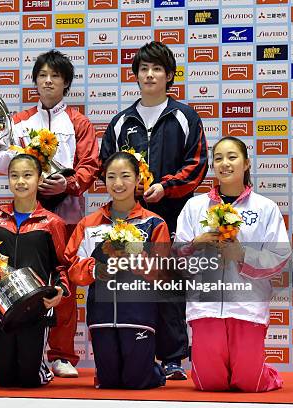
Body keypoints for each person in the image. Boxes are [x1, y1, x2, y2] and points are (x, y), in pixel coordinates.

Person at [99, 41, 208, 379]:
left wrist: (167, 186)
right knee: (131, 282)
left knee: (170, 285)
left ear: (169, 76)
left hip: (173, 215)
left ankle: (174, 358)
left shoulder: (184, 116)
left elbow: (198, 164)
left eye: (157, 69)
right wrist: (128, 193)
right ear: (134, 76)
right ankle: (136, 355)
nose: (149, 74)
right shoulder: (121, 121)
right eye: (143, 69)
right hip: (129, 218)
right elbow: (107, 166)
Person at [0, 49, 99, 377]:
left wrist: (67, 185)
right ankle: (21, 346)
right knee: (19, 281)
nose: (48, 80)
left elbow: (90, 166)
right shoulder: (21, 120)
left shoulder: (78, 122)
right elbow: (1, 160)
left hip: (65, 216)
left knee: (62, 282)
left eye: (55, 76)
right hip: (24, 215)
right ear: (35, 81)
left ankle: (63, 354)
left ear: (66, 82)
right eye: (42, 75)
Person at [174, 137, 290, 392]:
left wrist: (242, 254)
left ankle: (265, 371)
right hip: (206, 306)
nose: (224, 163)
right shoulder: (195, 206)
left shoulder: (265, 208)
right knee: (208, 384)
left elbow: (279, 256)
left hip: (247, 306)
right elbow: (176, 256)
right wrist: (196, 242)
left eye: (232, 157)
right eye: (218, 158)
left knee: (250, 383)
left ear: (246, 163)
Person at [66, 152, 168, 389]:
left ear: (138, 179)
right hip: (101, 317)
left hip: (138, 316)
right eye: (111, 177)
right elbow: (73, 266)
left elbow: (161, 273)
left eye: (125, 176)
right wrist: (96, 270)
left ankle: (155, 371)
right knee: (109, 382)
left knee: (136, 382)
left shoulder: (154, 223)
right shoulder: (89, 224)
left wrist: (136, 259)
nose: (118, 183)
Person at [0, 154, 70, 387]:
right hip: (0, 306)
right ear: (7, 180)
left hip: (36, 308)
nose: (20, 181)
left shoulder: (52, 223)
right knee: (3, 379)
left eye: (27, 175)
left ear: (40, 179)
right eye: (14, 176)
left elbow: (62, 264)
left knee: (30, 379)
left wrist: (60, 289)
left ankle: (42, 369)